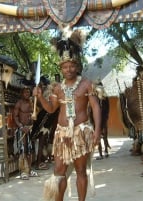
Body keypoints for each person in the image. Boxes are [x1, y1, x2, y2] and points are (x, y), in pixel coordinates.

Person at [33, 28, 101, 201]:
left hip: (81, 132)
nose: (69, 69)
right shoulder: (57, 88)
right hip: (62, 135)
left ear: (77, 66)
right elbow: (50, 109)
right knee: (59, 172)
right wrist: (40, 96)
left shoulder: (86, 84)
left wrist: (97, 132)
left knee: (80, 171)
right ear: (61, 69)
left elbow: (95, 107)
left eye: (71, 66)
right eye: (65, 66)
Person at [13, 87, 38, 179]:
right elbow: (15, 117)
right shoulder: (19, 103)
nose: (27, 94)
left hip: (30, 129)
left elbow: (33, 115)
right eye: (25, 93)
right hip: (22, 129)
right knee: (23, 149)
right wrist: (21, 127)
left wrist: (33, 120)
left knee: (30, 149)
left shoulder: (32, 103)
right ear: (22, 94)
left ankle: (29, 169)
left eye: (28, 92)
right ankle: (23, 171)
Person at [94, 82, 111, 160]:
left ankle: (105, 152)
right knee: (99, 137)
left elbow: (107, 109)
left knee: (104, 136)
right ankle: (102, 153)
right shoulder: (95, 97)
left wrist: (105, 118)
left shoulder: (104, 98)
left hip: (102, 119)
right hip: (97, 120)